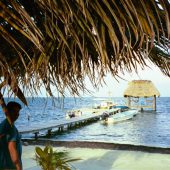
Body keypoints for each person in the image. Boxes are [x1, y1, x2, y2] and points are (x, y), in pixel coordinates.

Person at [0, 93, 22, 170]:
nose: (17, 114)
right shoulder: (10, 127)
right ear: (8, 111)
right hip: (10, 167)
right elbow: (12, 148)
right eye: (14, 111)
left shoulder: (3, 124)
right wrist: (18, 167)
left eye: (18, 112)